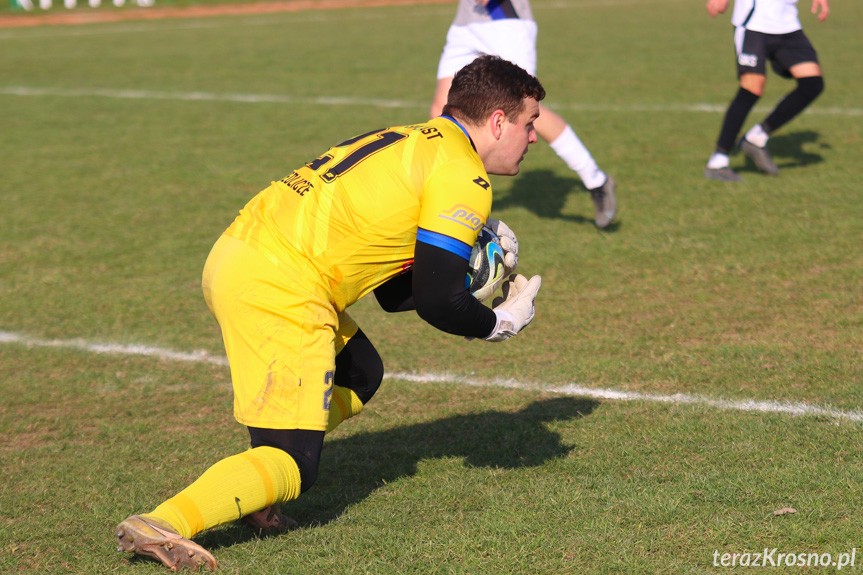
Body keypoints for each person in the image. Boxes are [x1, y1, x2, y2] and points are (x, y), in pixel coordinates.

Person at [114, 55, 544, 572]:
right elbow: (436, 302)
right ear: (498, 121)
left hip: (239, 254)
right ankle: (164, 522)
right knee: (296, 462)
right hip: (281, 283)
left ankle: (255, 494)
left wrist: (461, 277)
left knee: (361, 371)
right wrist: (498, 321)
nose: (534, 136)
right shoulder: (463, 175)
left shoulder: (415, 137)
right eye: (529, 122)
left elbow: (394, 293)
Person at [430, 0, 617, 228]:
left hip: (505, 18)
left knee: (524, 108)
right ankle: (446, 198)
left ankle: (596, 180)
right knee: (443, 108)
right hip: (467, 19)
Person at [703, 0, 828, 181]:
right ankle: (717, 162)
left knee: (812, 83)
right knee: (751, 88)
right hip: (754, 23)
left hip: (788, 24)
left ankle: (756, 137)